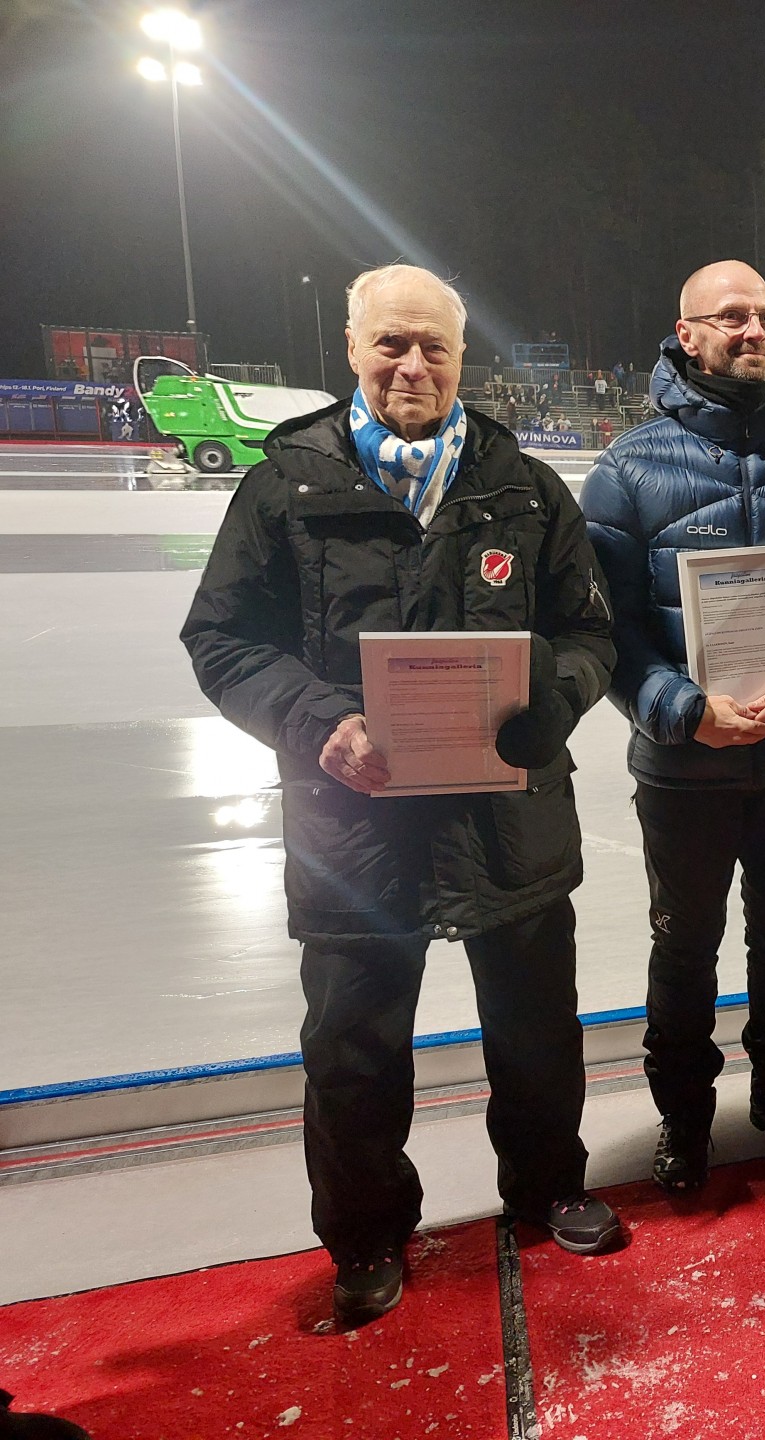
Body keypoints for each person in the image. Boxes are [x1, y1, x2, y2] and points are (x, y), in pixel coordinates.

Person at [180, 264, 622, 1329]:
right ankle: (368, 1232)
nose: (412, 365)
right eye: (391, 344)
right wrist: (316, 725)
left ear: (462, 358)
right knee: (353, 1045)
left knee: (535, 1027)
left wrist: (552, 702)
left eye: (434, 346)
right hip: (355, 822)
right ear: (352, 348)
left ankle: (547, 1186)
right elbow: (222, 638)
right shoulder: (285, 487)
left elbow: (588, 631)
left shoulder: (524, 486)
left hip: (506, 817)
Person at [581, 261, 765, 1192]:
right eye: (730, 318)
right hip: (686, 768)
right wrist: (679, 709)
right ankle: (685, 1115)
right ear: (685, 334)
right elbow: (606, 629)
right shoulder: (628, 469)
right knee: (684, 947)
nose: (753, 331)